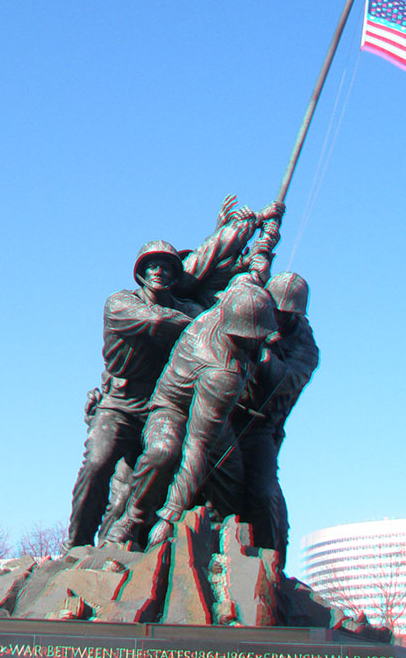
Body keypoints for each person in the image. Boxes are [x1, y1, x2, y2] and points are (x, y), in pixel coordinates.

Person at [64, 200, 283, 549]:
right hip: (123, 405)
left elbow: (227, 277)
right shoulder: (121, 304)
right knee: (98, 463)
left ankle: (176, 538)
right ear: (140, 271)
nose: (160, 272)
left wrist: (264, 239)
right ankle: (77, 546)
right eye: (152, 266)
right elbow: (159, 319)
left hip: (166, 403)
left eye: (168, 267)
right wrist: (244, 226)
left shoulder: (195, 312)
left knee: (175, 460)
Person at [103, 275, 279, 549]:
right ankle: (132, 520)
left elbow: (246, 282)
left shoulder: (227, 304)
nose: (259, 341)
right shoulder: (223, 372)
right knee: (163, 450)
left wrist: (263, 249)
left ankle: (231, 544)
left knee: (233, 488)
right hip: (173, 408)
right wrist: (170, 515)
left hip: (213, 417)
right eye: (254, 336)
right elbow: (197, 444)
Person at [231, 272, 318, 567]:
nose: (277, 317)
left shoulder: (305, 350)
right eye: (274, 309)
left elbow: (285, 380)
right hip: (225, 413)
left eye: (285, 313)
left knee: (265, 494)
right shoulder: (256, 309)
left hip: (260, 427)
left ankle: (267, 568)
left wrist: (262, 345)